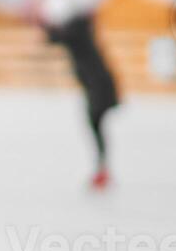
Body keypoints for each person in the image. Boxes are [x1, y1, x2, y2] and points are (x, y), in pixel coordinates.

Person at [43, 12, 119, 189]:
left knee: (95, 124)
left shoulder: (77, 25)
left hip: (98, 87)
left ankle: (102, 168)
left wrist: (43, 20)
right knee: (96, 126)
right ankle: (102, 167)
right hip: (95, 86)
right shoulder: (79, 24)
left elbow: (56, 37)